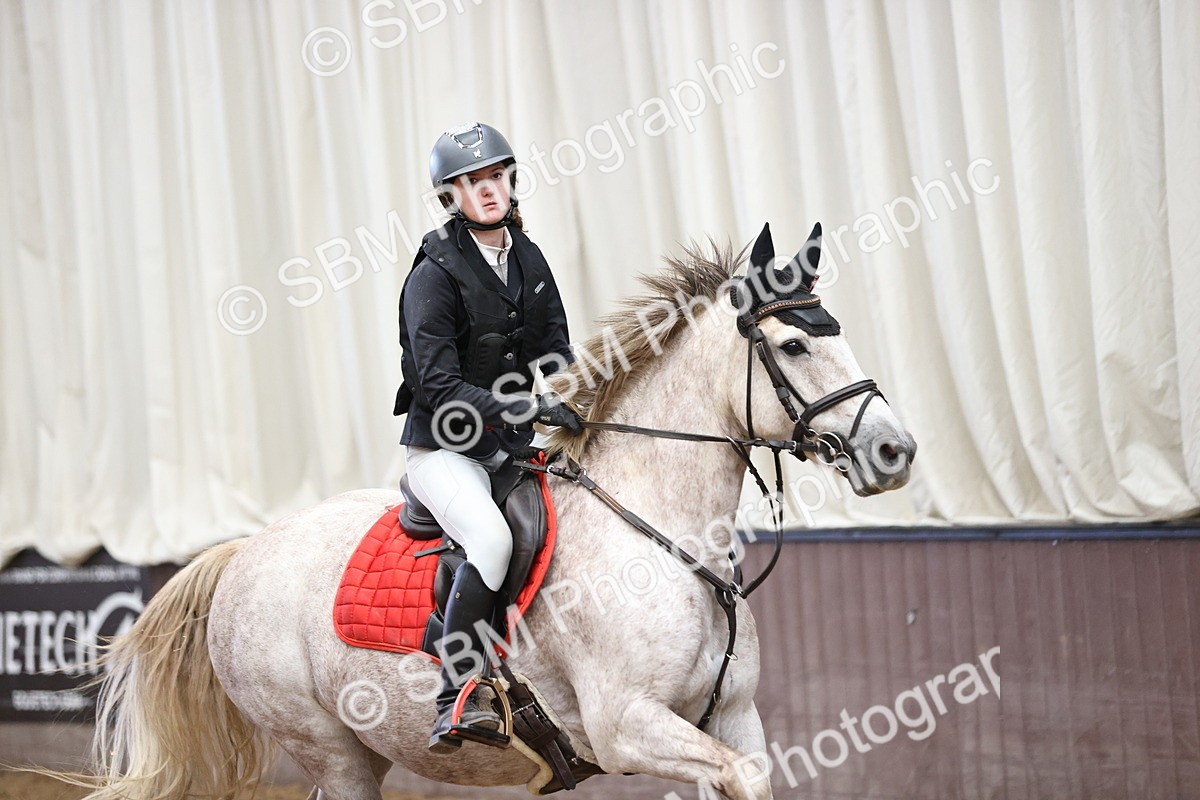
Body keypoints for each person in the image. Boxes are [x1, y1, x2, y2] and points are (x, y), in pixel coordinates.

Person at [393, 122, 584, 753]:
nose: (489, 191)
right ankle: (457, 696)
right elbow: (441, 387)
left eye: (497, 177)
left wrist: (578, 398)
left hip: (508, 447)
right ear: (452, 193)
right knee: (493, 539)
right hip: (444, 452)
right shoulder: (434, 273)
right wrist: (528, 404)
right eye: (473, 183)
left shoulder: (528, 257)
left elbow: (554, 348)